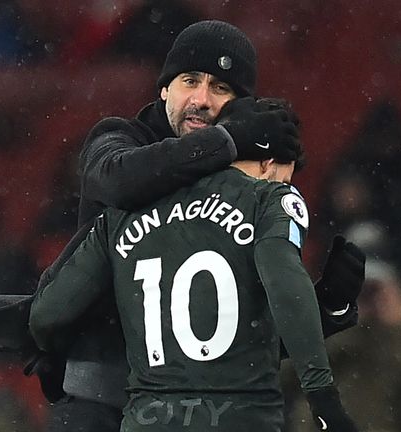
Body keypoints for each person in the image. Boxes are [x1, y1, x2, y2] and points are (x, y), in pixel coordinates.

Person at [0, 20, 366, 432]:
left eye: (221, 89)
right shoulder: (121, 138)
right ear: (163, 88)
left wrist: (330, 306)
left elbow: (234, 336)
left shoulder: (243, 188)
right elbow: (115, 179)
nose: (201, 98)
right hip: (99, 402)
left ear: (239, 105)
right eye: (189, 80)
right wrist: (232, 138)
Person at [29, 123, 359, 431]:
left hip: (149, 418)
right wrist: (322, 395)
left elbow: (47, 315)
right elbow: (280, 295)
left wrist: (60, 353)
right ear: (269, 164)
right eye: (287, 177)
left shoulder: (123, 209)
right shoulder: (266, 202)